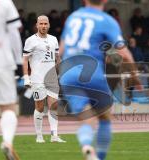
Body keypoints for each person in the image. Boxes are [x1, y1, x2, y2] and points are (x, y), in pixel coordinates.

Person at [59, 0, 140, 159]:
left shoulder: (73, 17)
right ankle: (99, 156)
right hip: (91, 72)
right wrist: (135, 77)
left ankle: (87, 146)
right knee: (104, 116)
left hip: (68, 73)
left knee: (85, 117)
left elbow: (61, 49)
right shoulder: (107, 21)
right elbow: (124, 54)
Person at [23, 15, 66, 143]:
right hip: (37, 79)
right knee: (40, 107)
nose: (43, 26)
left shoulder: (53, 40)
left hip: (52, 78)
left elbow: (57, 58)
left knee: (53, 106)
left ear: (49, 25)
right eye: (41, 24)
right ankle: (39, 135)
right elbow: (25, 59)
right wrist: (26, 77)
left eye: (45, 24)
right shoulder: (30, 40)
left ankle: (54, 135)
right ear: (37, 25)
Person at [0, 0, 22, 159]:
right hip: (2, 61)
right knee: (8, 108)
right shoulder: (5, 2)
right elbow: (14, 33)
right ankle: (7, 141)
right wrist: (18, 62)